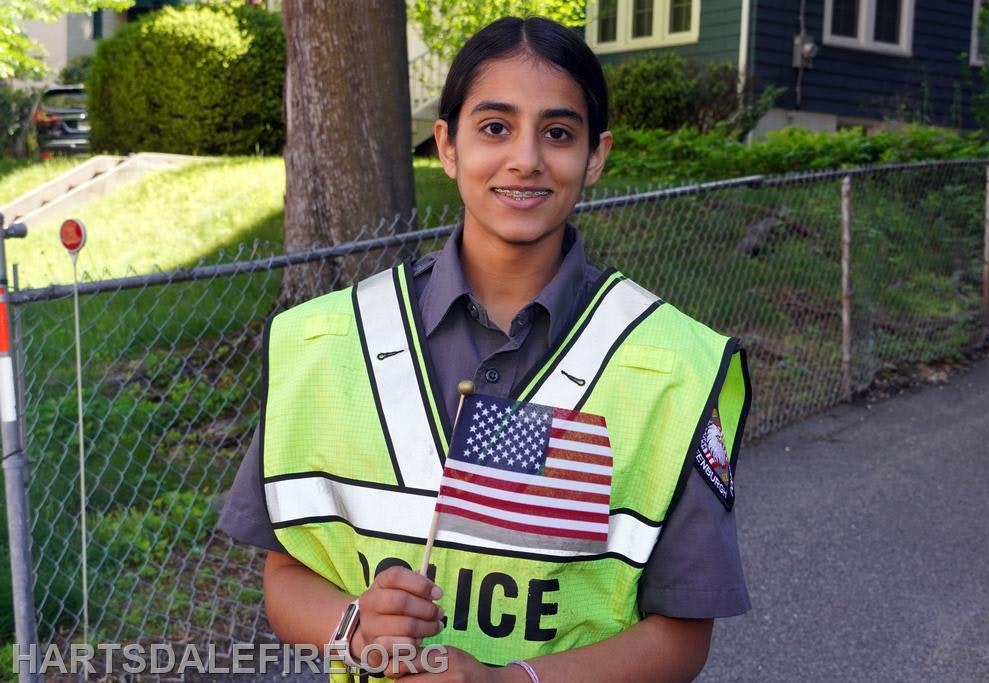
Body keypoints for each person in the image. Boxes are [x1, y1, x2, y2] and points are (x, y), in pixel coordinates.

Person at [218, 16, 750, 682]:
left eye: (558, 133)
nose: (526, 158)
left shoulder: (672, 366)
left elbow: (679, 635)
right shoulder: (331, 342)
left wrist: (509, 680)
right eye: (495, 127)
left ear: (596, 155)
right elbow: (286, 571)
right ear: (447, 145)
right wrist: (356, 626)